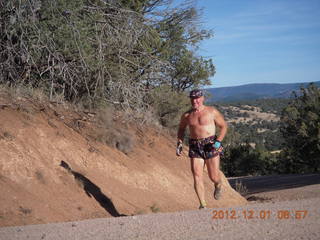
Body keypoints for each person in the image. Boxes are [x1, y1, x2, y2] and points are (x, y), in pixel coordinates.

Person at [176, 89, 228, 209]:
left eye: (197, 98)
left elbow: (224, 126)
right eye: (193, 99)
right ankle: (202, 204)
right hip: (195, 146)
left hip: (210, 144)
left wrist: (218, 141)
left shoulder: (211, 111)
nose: (195, 101)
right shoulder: (186, 115)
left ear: (202, 98)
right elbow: (181, 129)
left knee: (213, 176)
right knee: (197, 175)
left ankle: (218, 184)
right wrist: (179, 143)